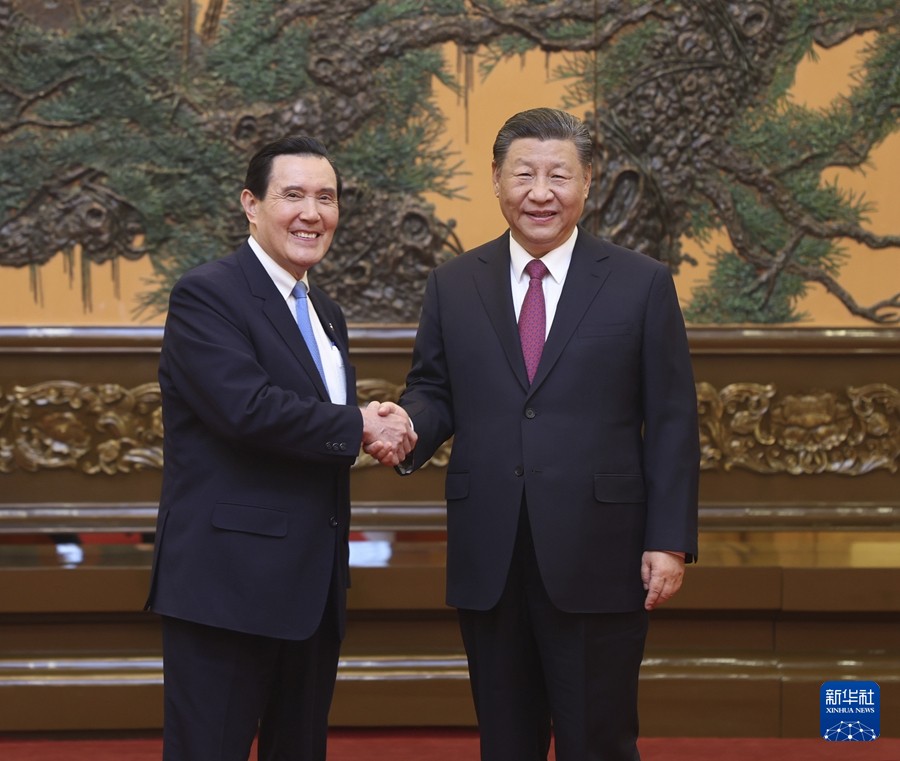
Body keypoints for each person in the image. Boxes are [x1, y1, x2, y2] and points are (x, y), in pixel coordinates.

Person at [387, 108, 699, 761]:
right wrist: (409, 423)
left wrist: (669, 540)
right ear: (496, 180)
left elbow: (672, 418)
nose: (540, 193)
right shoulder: (453, 284)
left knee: (599, 740)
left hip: (601, 550)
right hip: (491, 552)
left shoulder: (641, 282)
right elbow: (434, 390)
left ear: (587, 182)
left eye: (558, 175)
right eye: (523, 174)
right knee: (506, 740)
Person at [145, 135, 416, 761]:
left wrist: (374, 425)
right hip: (227, 587)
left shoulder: (326, 311)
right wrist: (361, 426)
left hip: (311, 589)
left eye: (326, 198)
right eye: (293, 195)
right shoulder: (208, 293)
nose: (311, 214)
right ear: (251, 204)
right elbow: (246, 409)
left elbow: (318, 427)